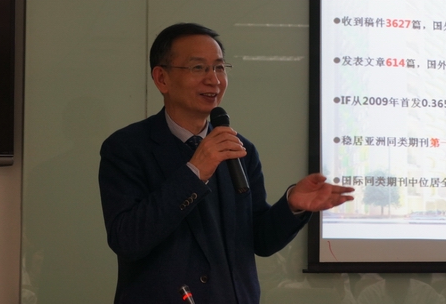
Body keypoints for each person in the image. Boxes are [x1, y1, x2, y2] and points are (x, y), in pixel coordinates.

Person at [98, 23, 354, 304]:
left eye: (219, 67)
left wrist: (292, 205)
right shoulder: (127, 148)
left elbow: (260, 241)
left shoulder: (241, 149)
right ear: (162, 79)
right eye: (198, 68)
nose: (214, 80)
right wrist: (194, 173)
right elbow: (127, 240)